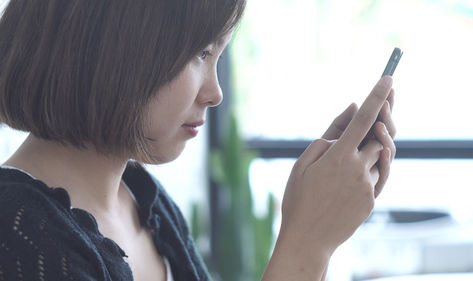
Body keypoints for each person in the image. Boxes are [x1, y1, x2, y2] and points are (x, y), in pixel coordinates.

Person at [0, 0, 396, 280]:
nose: (215, 92)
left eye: (218, 57)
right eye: (201, 53)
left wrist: (319, 230)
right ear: (112, 48)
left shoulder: (143, 201)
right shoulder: (18, 235)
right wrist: (307, 244)